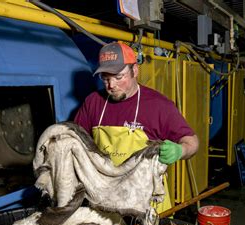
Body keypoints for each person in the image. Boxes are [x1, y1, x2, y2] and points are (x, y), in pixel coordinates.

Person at [74, 41, 199, 212]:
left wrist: (180, 150)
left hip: (146, 201)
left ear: (135, 71)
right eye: (106, 78)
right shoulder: (93, 102)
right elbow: (76, 141)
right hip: (105, 198)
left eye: (119, 77)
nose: (111, 86)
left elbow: (192, 142)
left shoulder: (158, 105)